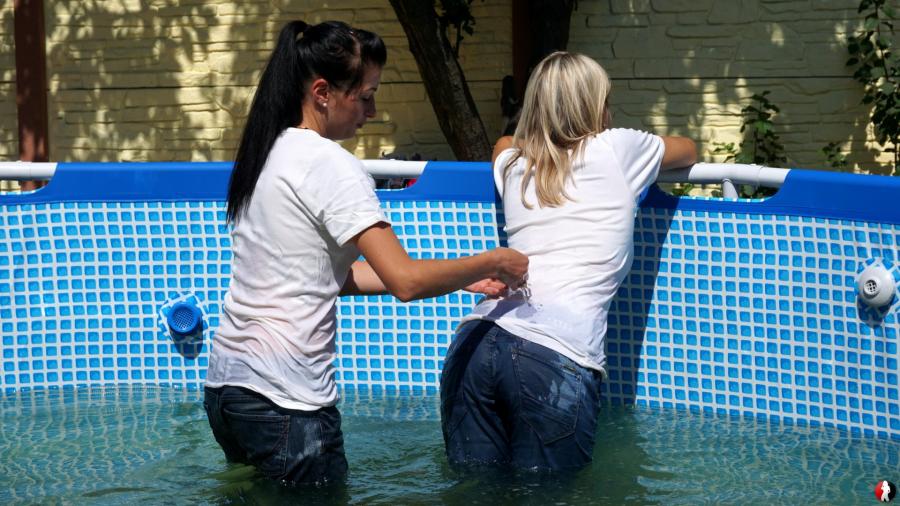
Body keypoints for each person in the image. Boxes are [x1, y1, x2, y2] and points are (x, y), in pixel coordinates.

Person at [203, 20, 528, 486]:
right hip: (287, 400)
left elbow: (325, 276)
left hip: (229, 391)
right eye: (366, 95)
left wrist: (463, 277)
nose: (372, 111)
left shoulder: (268, 151)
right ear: (322, 92)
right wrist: (495, 259)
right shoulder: (331, 164)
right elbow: (406, 282)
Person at [440, 51, 697, 471]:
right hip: (554, 353)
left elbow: (504, 142)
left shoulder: (515, 162)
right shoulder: (617, 149)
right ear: (598, 105)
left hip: (475, 342)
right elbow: (687, 150)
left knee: (477, 493)